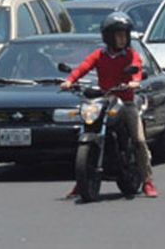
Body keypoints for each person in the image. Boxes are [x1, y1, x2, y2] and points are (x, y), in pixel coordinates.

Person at [60, 12, 158, 198]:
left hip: (126, 102)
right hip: (104, 100)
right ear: (108, 37)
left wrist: (135, 81)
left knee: (138, 140)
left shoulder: (131, 54)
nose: (122, 38)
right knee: (86, 128)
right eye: (118, 34)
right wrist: (69, 80)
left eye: (124, 34)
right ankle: (81, 182)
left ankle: (147, 181)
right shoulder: (99, 55)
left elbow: (137, 68)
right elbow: (83, 67)